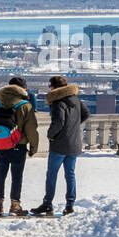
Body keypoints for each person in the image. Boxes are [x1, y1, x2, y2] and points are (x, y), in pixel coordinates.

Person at [31, 75, 89, 216]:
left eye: (50, 86)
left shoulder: (58, 102)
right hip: (74, 143)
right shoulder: (76, 99)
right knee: (70, 174)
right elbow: (86, 114)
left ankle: (47, 204)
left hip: (59, 144)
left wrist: (50, 135)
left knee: (52, 174)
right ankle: (70, 204)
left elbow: (59, 122)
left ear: (54, 87)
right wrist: (73, 126)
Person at [0, 81, 39, 217]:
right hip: (18, 147)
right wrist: (33, 147)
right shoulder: (25, 106)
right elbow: (31, 129)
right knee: (17, 177)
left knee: (0, 177)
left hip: (0, 146)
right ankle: (15, 205)